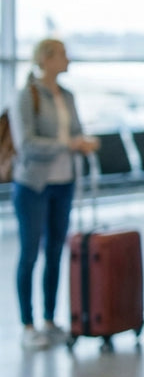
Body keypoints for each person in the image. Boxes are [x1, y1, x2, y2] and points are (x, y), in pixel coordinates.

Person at [9, 38, 99, 350]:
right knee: (30, 253)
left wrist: (82, 142)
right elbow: (27, 146)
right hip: (33, 186)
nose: (67, 59)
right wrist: (68, 145)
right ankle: (28, 324)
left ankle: (50, 320)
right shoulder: (27, 96)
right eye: (62, 54)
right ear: (46, 59)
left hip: (64, 183)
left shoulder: (68, 96)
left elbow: (74, 131)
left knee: (55, 253)